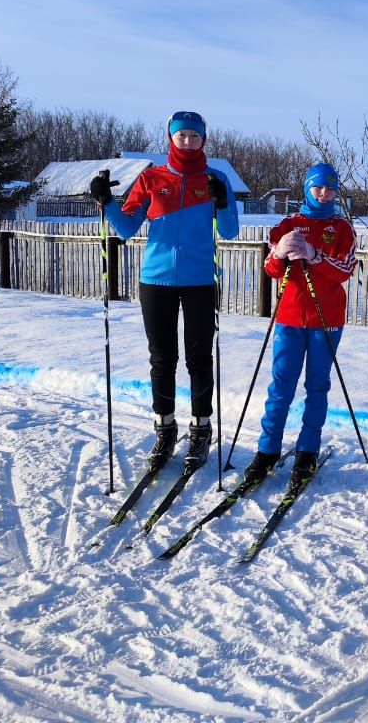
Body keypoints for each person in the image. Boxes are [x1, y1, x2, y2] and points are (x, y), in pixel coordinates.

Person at [89, 110, 239, 470]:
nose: (187, 141)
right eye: (181, 135)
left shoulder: (215, 179)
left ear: (204, 139)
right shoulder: (151, 179)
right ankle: (165, 428)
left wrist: (221, 202)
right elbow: (126, 228)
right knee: (162, 358)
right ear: (170, 138)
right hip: (155, 281)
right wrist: (107, 202)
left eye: (194, 135)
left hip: (201, 280)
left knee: (199, 358)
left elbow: (231, 230)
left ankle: (201, 430)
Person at [243, 162, 357, 488]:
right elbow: (271, 269)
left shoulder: (342, 228)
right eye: (318, 187)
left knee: (317, 386)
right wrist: (280, 253)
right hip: (290, 317)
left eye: (330, 188)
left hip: (327, 319)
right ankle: (267, 450)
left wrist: (315, 255)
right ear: (308, 188)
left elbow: (344, 269)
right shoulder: (288, 224)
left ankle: (308, 450)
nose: (324, 193)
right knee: (281, 386)